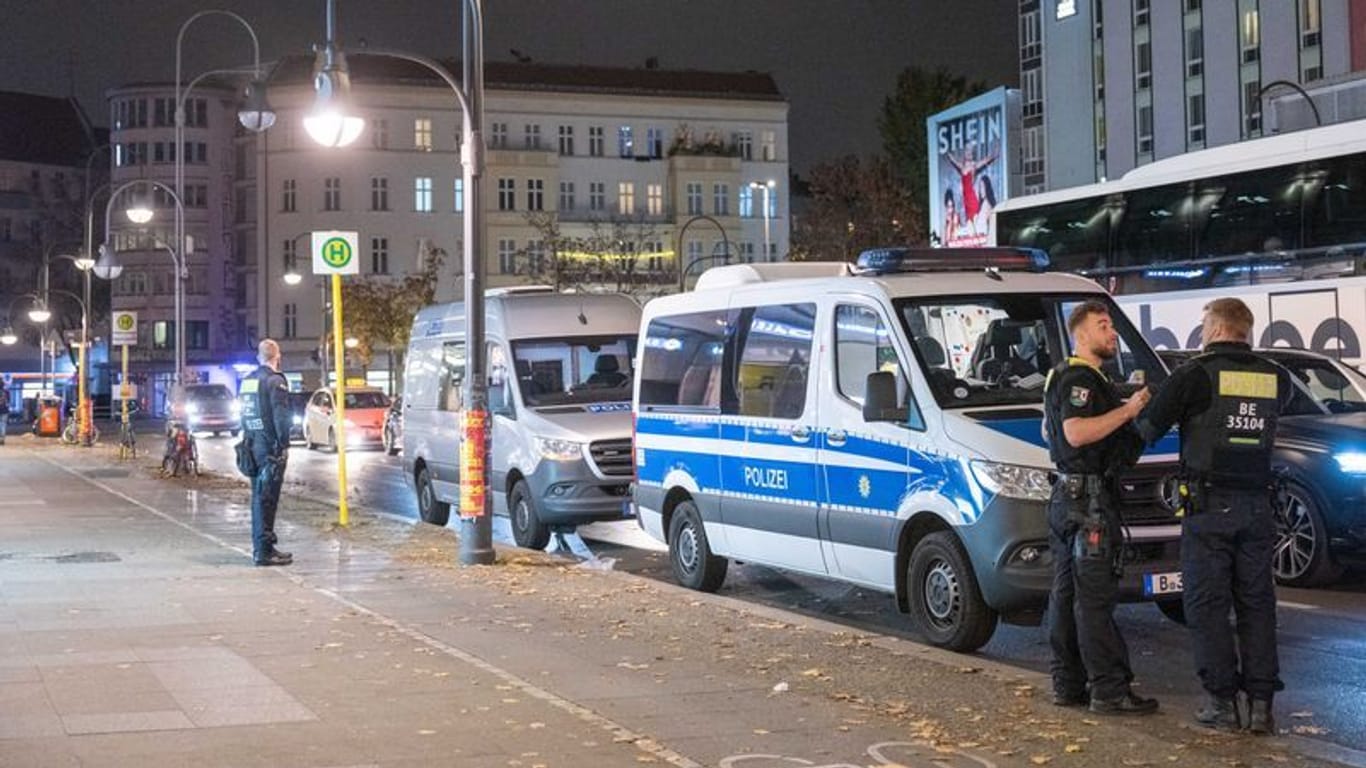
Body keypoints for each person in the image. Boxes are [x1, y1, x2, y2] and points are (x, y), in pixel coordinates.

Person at [1136, 298, 1293, 734]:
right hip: (1258, 506)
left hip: (1209, 508)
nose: (1201, 332)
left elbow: (1149, 428)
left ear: (1218, 327)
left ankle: (1222, 703)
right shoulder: (1275, 376)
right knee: (1257, 604)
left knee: (1207, 605)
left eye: (1204, 324)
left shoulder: (1193, 374)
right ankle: (1261, 706)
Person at [1042, 300, 1157, 716]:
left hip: (1067, 498)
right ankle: (1109, 689)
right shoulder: (1080, 379)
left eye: (1111, 325)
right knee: (1093, 599)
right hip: (1089, 504)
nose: (1112, 333)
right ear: (1081, 334)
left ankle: (1067, 684)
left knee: (1066, 594)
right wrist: (1129, 410)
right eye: (1103, 325)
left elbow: (1048, 431)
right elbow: (1074, 433)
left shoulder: (1060, 376)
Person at [239, 339, 293, 566]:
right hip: (269, 447)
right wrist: (284, 443)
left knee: (258, 498)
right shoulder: (275, 381)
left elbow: (243, 414)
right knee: (267, 499)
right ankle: (264, 550)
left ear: (258, 356)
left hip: (251, 444)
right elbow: (281, 417)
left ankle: (263, 545)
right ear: (276, 356)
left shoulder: (248, 381)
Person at [0, 377, 9, 445]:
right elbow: (8, 402)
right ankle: (2, 438)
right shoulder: (6, 391)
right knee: (3, 424)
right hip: (5, 410)